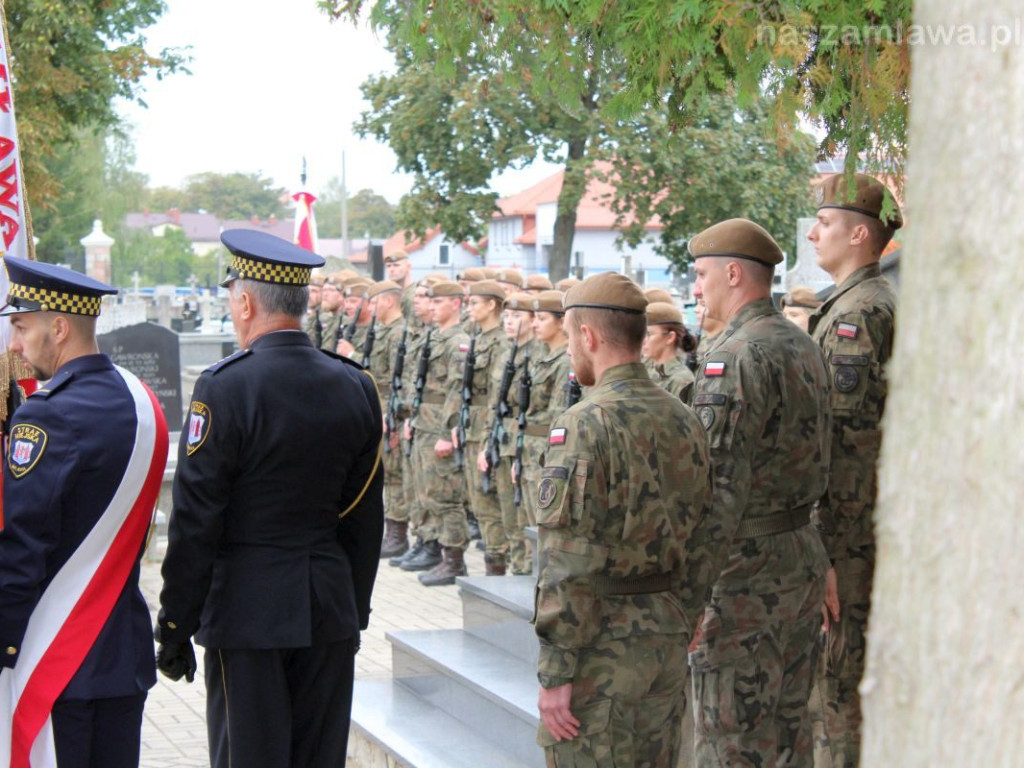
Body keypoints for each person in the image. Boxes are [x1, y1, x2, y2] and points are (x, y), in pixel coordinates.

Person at [155, 230, 384, 768]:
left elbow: (196, 519)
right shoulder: (355, 385)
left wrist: (175, 625)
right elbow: (363, 515)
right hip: (328, 608)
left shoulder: (225, 386)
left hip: (247, 613)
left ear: (245, 302)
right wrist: (353, 610)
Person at [534, 273, 713, 767]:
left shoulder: (585, 423)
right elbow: (707, 528)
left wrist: (555, 670)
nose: (569, 350)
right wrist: (690, 611)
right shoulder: (683, 416)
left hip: (601, 646)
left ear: (588, 336)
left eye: (569, 337)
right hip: (666, 635)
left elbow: (568, 559)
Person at [0, 257, 168, 768]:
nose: (14, 345)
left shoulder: (45, 414)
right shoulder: (142, 401)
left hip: (55, 661)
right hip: (123, 656)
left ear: (59, 328)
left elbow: (23, 549)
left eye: (21, 327)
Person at [687, 218, 832, 768]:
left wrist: (692, 591)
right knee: (790, 732)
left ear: (732, 274)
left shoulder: (736, 355)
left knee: (731, 739)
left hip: (744, 572)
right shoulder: (803, 344)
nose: (696, 288)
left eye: (702, 275)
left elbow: (718, 486)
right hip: (799, 553)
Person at [805, 173, 901, 768]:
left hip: (850, 536)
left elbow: (845, 443)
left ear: (860, 234)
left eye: (825, 223)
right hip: (860, 528)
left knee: (838, 692)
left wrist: (828, 552)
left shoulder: (860, 314)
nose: (813, 233)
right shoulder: (855, 304)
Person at [405, 280, 471, 586]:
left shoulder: (458, 341)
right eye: (429, 301)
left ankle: (454, 560)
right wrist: (412, 417)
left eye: (438, 301)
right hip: (424, 423)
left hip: (439, 427)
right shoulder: (434, 337)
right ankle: (440, 552)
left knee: (446, 496)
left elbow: (456, 390)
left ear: (455, 304)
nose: (431, 307)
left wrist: (447, 432)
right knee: (427, 491)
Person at [452, 280, 508, 574]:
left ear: (491, 305)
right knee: (477, 500)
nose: (469, 308)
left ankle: (497, 565)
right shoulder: (476, 338)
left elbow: (495, 395)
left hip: (486, 427)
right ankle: (493, 564)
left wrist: (487, 437)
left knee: (488, 501)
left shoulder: (501, 343)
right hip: (471, 425)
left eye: (475, 303)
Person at [516, 290, 571, 533]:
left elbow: (558, 418)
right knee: (530, 526)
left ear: (561, 322)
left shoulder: (565, 361)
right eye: (534, 318)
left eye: (542, 318)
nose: (534, 324)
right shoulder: (543, 358)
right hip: (530, 449)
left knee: (545, 526)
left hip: (545, 454)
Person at [364, 280, 409, 559]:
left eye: (375, 302)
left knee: (394, 474)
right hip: (379, 406)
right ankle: (392, 529)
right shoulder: (383, 331)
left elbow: (398, 379)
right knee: (387, 473)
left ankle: (398, 533)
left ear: (389, 301)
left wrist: (391, 416)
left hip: (390, 411)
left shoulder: (398, 333)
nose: (371, 308)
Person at [643, 301, 697, 402]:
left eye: (648, 334)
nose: (643, 340)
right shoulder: (644, 371)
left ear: (670, 337)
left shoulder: (681, 380)